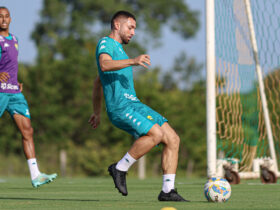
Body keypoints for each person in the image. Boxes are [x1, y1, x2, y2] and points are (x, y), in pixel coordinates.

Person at [89, 10, 188, 202]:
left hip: (134, 104)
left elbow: (97, 82)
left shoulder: (120, 52)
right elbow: (104, 65)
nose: (133, 32)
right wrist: (133, 61)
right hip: (120, 107)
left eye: (134, 28)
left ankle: (168, 190)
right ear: (117, 25)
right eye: (130, 27)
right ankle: (119, 168)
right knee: (156, 134)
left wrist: (96, 112)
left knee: (173, 139)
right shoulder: (106, 43)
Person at [0, 7, 57, 187]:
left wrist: (16, 82)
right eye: (0, 16)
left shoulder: (15, 39)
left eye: (6, 16)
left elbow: (10, 66)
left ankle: (35, 175)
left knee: (28, 131)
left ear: (11, 19)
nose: (3, 19)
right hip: (0, 91)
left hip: (15, 92)